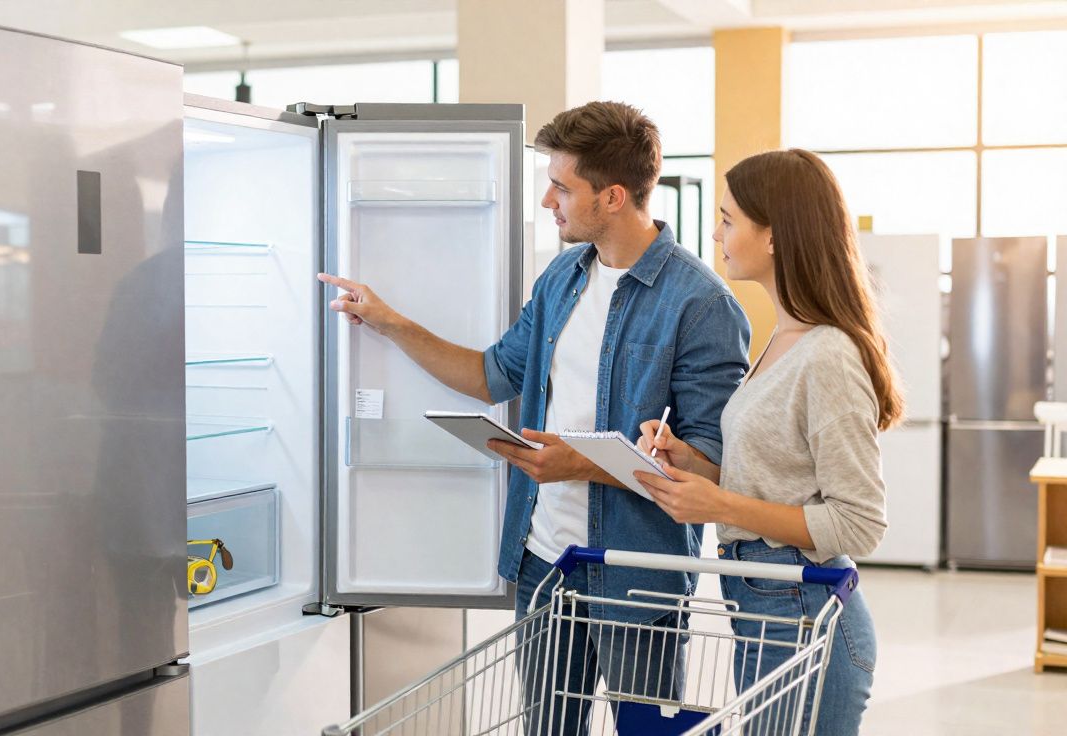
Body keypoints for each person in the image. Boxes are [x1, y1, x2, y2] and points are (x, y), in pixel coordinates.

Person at [318, 101, 750, 734]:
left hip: (638, 578)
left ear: (612, 196)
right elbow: (493, 375)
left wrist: (580, 463)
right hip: (544, 564)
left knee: (644, 729)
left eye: (561, 186)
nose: (548, 199)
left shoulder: (701, 303)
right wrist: (386, 321)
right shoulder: (562, 279)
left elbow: (709, 468)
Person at [633, 148, 894, 735]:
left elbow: (859, 523)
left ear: (774, 236)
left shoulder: (827, 354)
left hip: (807, 616)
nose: (716, 232)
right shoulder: (786, 337)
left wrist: (721, 506)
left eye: (729, 220)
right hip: (763, 602)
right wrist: (693, 464)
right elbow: (779, 480)